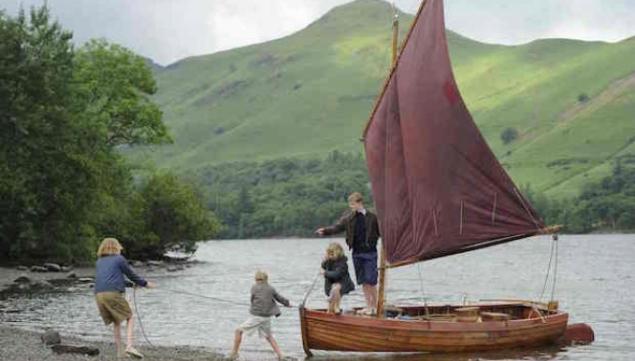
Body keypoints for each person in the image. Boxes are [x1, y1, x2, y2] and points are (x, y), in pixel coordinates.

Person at [316, 192, 380, 315]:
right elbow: (337, 227)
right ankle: (368, 306)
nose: (351, 207)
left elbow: (382, 231)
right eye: (350, 205)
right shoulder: (349, 218)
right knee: (363, 281)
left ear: (359, 203)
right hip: (356, 253)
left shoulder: (373, 217)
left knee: (371, 280)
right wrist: (325, 231)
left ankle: (375, 306)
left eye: (353, 204)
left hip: (370, 252)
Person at [94, 237, 156, 359]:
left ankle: (120, 353)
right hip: (112, 293)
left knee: (116, 321)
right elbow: (131, 274)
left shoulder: (99, 261)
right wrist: (145, 284)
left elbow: (111, 279)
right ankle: (129, 346)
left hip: (98, 294)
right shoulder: (119, 259)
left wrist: (131, 284)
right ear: (116, 247)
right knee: (130, 316)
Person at [229, 270, 291, 361]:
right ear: (266, 279)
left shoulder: (254, 287)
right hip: (267, 317)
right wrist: (287, 304)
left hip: (257, 317)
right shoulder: (271, 288)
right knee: (269, 336)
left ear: (256, 279)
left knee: (238, 331)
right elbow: (279, 298)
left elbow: (252, 299)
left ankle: (234, 353)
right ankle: (280, 355)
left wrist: (254, 306)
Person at [321, 242, 355, 314]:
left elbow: (337, 274)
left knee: (336, 288)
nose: (330, 255)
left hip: (344, 284)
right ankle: (330, 310)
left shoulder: (343, 263)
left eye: (332, 254)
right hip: (331, 285)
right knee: (334, 288)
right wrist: (324, 261)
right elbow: (323, 267)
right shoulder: (328, 261)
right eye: (329, 253)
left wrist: (325, 273)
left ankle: (336, 307)